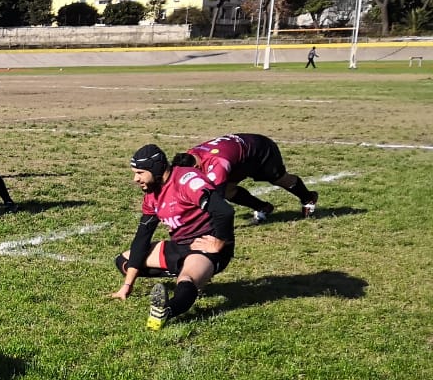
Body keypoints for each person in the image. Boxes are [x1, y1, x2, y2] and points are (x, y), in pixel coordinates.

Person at [110, 144, 235, 329]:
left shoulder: (187, 180)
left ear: (156, 169)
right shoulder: (152, 194)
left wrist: (220, 243)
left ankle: (166, 310)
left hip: (204, 245)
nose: (135, 179)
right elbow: (142, 238)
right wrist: (127, 285)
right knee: (124, 261)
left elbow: (224, 211)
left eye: (140, 173)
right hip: (180, 245)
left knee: (187, 280)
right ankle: (190, 276)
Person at [176, 132, 318, 222]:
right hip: (240, 156)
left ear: (195, 167)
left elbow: (215, 200)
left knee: (278, 179)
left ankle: (308, 197)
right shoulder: (191, 154)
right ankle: (263, 207)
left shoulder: (218, 163)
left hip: (261, 150)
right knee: (228, 191)